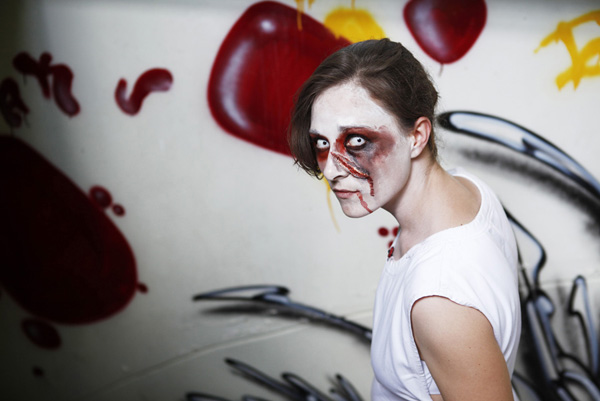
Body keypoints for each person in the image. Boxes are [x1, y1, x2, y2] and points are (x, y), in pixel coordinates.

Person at [288, 38, 521, 400]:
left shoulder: (438, 300)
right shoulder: (468, 189)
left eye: (357, 141)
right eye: (322, 143)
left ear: (417, 136)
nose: (331, 170)